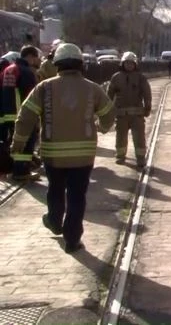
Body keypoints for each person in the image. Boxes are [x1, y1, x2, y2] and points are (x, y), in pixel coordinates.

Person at [10, 43, 116, 253]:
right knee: (77, 196)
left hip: (52, 154)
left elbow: (25, 118)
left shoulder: (44, 87)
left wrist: (18, 145)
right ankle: (72, 239)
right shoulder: (92, 88)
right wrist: (101, 127)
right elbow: (109, 114)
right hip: (83, 156)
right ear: (80, 64)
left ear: (57, 64)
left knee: (55, 190)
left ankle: (55, 221)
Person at [2, 46, 41, 181]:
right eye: (36, 58)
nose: (37, 61)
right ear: (30, 56)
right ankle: (21, 172)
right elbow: (31, 96)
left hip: (6, 113)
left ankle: (13, 169)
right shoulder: (26, 72)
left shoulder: (9, 69)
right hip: (20, 113)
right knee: (27, 140)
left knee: (13, 140)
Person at [107, 52, 152, 167]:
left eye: (131, 63)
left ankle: (141, 158)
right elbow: (109, 94)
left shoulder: (140, 78)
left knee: (139, 138)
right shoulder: (116, 77)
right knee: (120, 137)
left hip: (137, 115)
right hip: (121, 114)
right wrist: (107, 109)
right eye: (127, 63)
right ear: (122, 63)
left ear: (135, 64)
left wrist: (148, 106)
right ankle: (120, 156)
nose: (129, 65)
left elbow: (147, 93)